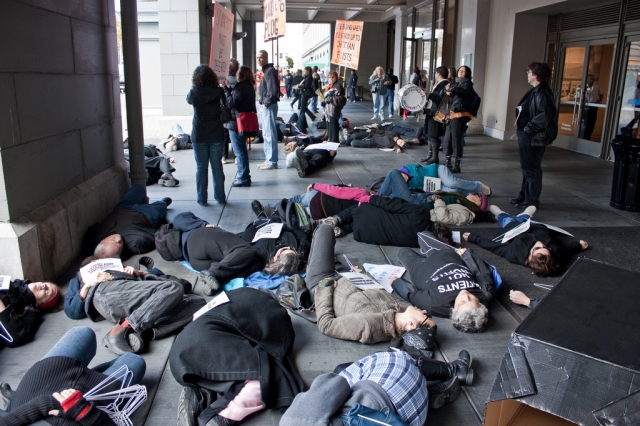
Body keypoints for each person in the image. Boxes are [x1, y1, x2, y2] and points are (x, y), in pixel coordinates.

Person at [172, 288, 304, 426]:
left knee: (230, 369)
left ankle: (200, 394)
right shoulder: (270, 308)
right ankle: (222, 416)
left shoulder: (234, 296)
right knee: (266, 377)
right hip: (208, 341)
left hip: (180, 356)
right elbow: (279, 348)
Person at [281, 349, 474, 426]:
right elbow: (335, 383)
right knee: (344, 370)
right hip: (394, 384)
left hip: (415, 418)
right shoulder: (292, 422)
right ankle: (453, 369)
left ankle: (431, 393)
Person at [1, 326, 146, 425]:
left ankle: (87, 375)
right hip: (81, 412)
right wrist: (84, 413)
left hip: (37, 394)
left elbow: (41, 404)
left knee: (83, 333)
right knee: (135, 361)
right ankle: (89, 376)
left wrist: (53, 402)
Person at [64, 263, 205, 355]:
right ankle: (123, 329)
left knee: (198, 302)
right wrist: (88, 285)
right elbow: (72, 310)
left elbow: (182, 286)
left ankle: (142, 331)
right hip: (106, 291)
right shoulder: (81, 277)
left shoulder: (122, 267)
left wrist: (141, 273)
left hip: (142, 303)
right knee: (172, 288)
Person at [392, 233, 496, 333]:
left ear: (454, 310)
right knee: (423, 234)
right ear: (480, 303)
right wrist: (467, 256)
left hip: (421, 268)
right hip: (446, 257)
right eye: (472, 299)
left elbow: (412, 295)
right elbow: (482, 273)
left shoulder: (436, 305)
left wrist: (396, 283)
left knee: (402, 252)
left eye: (462, 302)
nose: (465, 295)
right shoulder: (485, 293)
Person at [463, 205, 588, 276]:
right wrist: (579, 245)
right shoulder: (554, 254)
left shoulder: (514, 254)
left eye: (537, 248)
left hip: (513, 231)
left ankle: (500, 214)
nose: (541, 244)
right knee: (524, 219)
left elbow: (493, 246)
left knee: (508, 220)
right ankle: (526, 215)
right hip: (535, 228)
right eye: (546, 248)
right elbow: (566, 251)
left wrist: (474, 238)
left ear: (530, 257)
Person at [167, 212, 262, 295]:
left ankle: (216, 279)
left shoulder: (172, 242)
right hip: (199, 238)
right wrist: (203, 224)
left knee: (252, 263)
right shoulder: (183, 224)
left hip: (194, 261)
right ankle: (215, 274)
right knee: (245, 250)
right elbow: (178, 219)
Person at [511, 62, 558, 209]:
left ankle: (531, 201)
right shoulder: (535, 91)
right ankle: (524, 196)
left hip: (533, 137)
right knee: (527, 168)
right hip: (528, 135)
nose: (527, 74)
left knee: (532, 170)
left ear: (536, 75)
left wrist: (528, 128)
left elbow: (544, 115)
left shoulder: (542, 93)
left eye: (529, 72)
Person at [82, 183, 170, 259]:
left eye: (113, 240)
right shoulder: (135, 242)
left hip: (122, 208)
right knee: (162, 204)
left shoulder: (93, 241)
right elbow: (158, 234)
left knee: (138, 187)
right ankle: (163, 202)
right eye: (118, 245)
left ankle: (146, 201)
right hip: (146, 213)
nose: (118, 239)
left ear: (102, 241)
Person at [187, 65, 226, 206]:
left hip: (199, 134)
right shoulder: (219, 91)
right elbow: (226, 104)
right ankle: (220, 198)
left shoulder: (193, 92)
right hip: (216, 133)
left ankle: (202, 199)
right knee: (217, 167)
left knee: (201, 168)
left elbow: (188, 100)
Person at [0, 280, 59, 349]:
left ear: (41, 303)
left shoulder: (30, 312)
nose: (44, 286)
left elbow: (18, 336)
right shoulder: (13, 283)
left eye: (47, 291)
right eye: (44, 283)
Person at [223, 65, 256, 187]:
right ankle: (244, 176)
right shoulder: (249, 87)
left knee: (239, 151)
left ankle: (243, 178)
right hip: (244, 121)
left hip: (237, 122)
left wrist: (226, 90)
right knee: (241, 150)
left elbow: (231, 103)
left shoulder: (240, 88)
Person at [443, 65, 474, 173]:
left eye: (463, 71)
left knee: (456, 139)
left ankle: (457, 165)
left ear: (467, 73)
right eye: (460, 70)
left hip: (459, 114)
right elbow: (449, 92)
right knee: (447, 139)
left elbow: (464, 92)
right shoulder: (455, 82)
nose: (460, 72)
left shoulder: (467, 84)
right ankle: (447, 162)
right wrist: (447, 90)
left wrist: (452, 88)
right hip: (451, 113)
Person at [256, 50, 281, 170]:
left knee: (270, 134)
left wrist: (265, 103)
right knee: (266, 134)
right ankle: (269, 159)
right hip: (266, 105)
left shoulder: (270, 71)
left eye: (261, 57)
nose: (258, 60)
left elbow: (272, 91)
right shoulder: (266, 71)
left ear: (266, 58)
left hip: (268, 106)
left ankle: (272, 161)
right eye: (257, 57)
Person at [422, 66, 450, 165]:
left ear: (438, 73)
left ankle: (434, 157)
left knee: (433, 135)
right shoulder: (440, 83)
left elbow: (439, 99)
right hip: (432, 112)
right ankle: (430, 155)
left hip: (437, 113)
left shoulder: (444, 84)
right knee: (430, 135)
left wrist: (429, 95)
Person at [322, 70, 347, 143]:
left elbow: (338, 97)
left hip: (333, 108)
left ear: (336, 77)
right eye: (329, 77)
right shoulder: (330, 85)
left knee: (333, 124)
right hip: (328, 108)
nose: (331, 79)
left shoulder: (338, 85)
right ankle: (331, 139)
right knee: (329, 124)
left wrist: (328, 98)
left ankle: (334, 140)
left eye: (333, 77)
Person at [582, 74, 603, 140]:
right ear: (587, 80)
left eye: (593, 79)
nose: (592, 80)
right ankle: (583, 138)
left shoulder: (596, 86)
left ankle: (588, 138)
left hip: (594, 107)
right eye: (590, 79)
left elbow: (601, 93)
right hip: (586, 108)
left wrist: (600, 100)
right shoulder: (583, 87)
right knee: (585, 124)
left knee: (591, 125)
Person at [297, 67, 317, 133]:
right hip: (304, 93)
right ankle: (311, 117)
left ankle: (301, 121)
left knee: (303, 108)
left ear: (308, 71)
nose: (304, 72)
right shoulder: (306, 77)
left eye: (305, 70)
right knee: (303, 107)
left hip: (306, 94)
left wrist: (299, 86)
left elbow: (306, 86)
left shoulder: (309, 78)